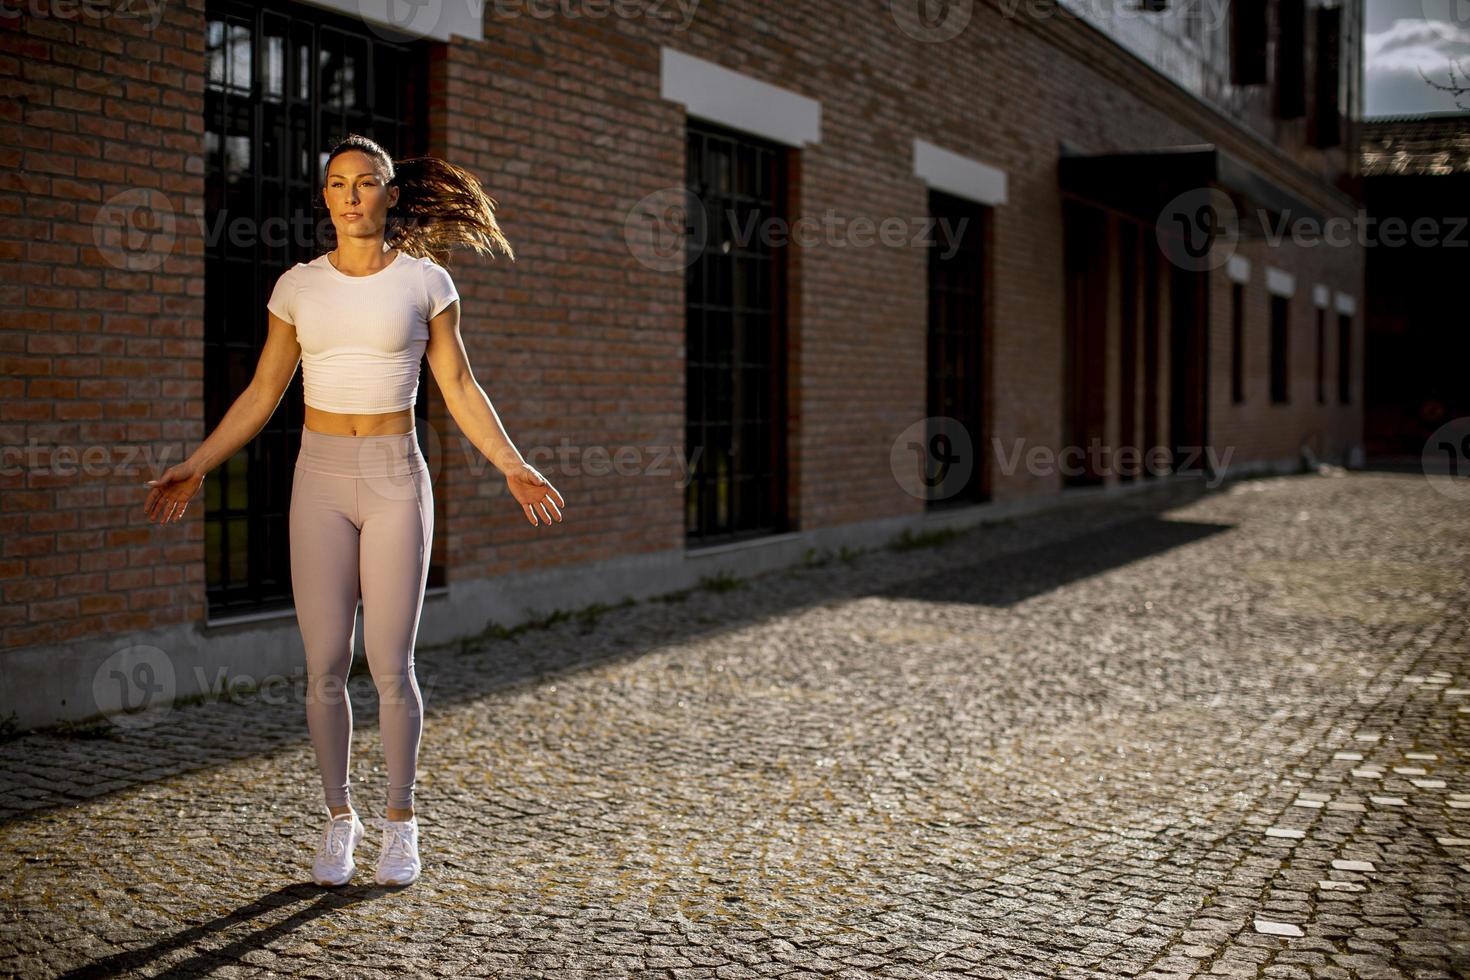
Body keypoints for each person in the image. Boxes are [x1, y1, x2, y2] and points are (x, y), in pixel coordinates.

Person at [142, 133, 566, 887]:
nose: (350, 194)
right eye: (337, 183)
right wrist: (198, 464)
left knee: (392, 665)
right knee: (323, 666)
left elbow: (460, 387)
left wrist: (512, 464)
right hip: (321, 479)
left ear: (390, 195)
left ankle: (401, 826)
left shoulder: (426, 284)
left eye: (366, 182)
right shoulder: (297, 287)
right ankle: (341, 820)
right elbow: (263, 392)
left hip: (397, 477)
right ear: (326, 196)